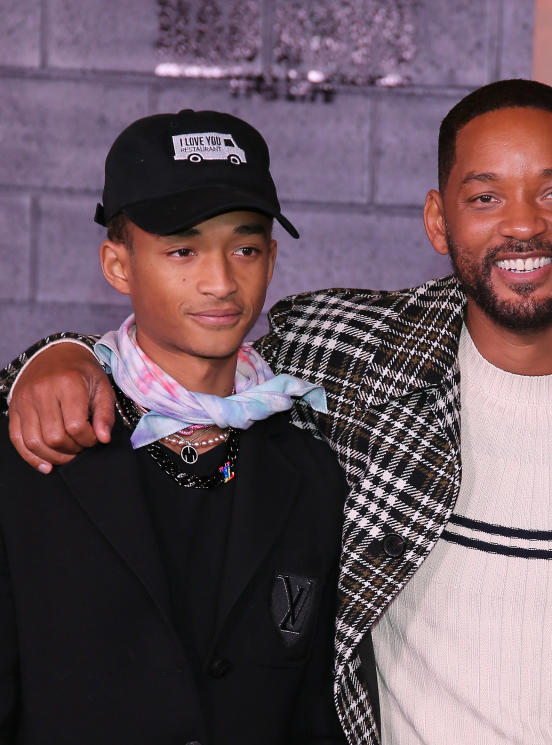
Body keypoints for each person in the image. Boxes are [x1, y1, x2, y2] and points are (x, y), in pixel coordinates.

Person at [1, 80, 552, 744]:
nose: (522, 224)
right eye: (485, 197)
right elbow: (159, 357)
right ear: (439, 219)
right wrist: (54, 356)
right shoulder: (365, 357)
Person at [0, 110, 347, 744]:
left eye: (244, 248)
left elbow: (310, 713)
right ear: (119, 265)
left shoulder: (311, 468)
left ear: (271, 261)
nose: (219, 282)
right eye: (182, 250)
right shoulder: (34, 450)